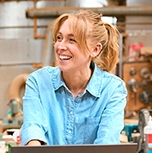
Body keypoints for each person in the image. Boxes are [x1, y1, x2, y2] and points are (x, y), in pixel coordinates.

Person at [21, 10, 127, 146]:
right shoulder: (38, 82)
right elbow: (33, 130)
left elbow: (106, 145)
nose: (60, 46)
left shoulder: (112, 89)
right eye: (59, 38)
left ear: (95, 49)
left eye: (72, 40)